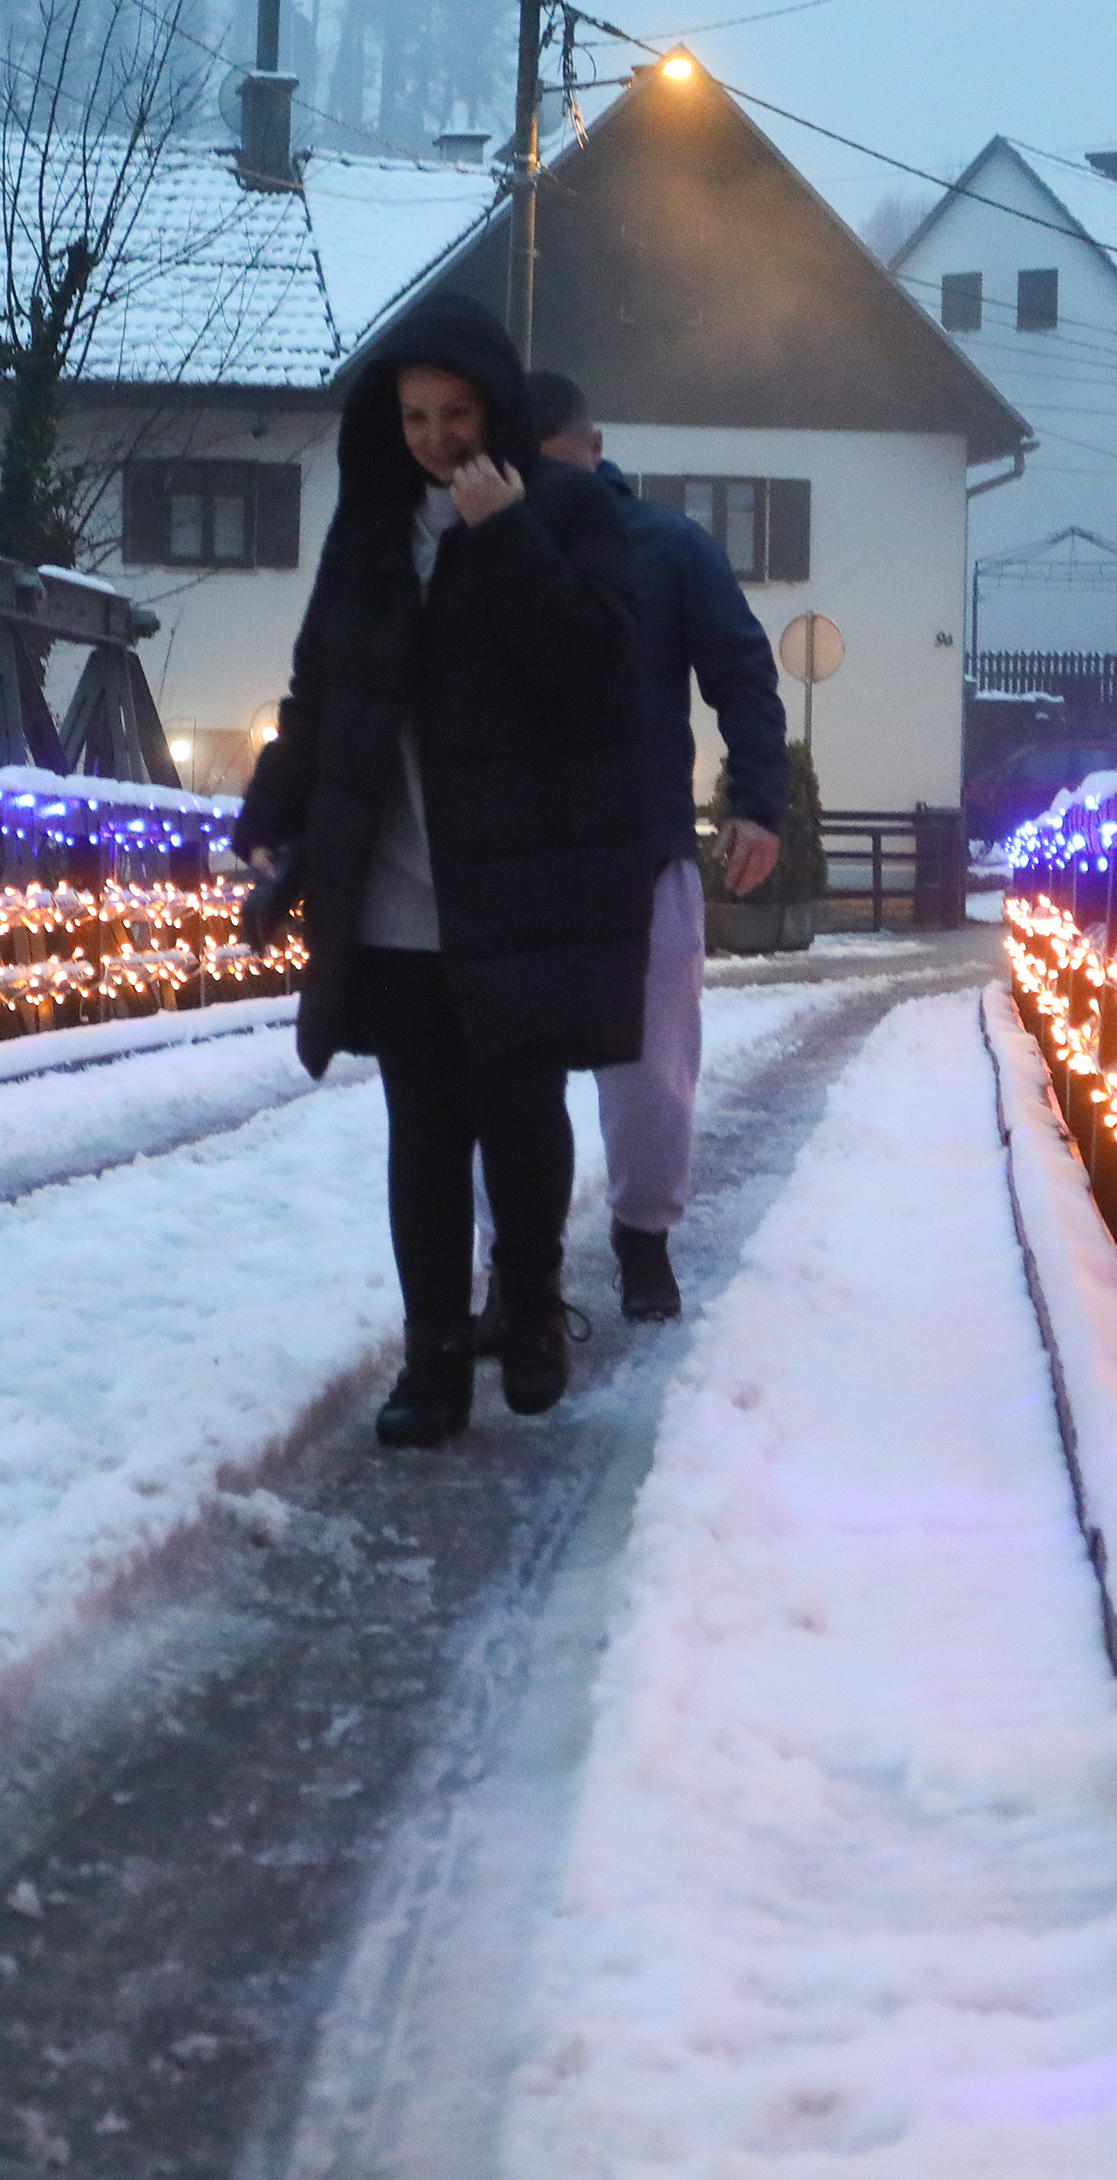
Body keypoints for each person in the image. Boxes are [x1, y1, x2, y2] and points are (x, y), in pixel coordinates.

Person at [234, 293, 650, 1449]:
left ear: (495, 407)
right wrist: (273, 802)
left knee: (518, 1115)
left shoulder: (564, 510)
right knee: (421, 1128)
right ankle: (430, 1360)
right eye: (414, 415)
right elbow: (322, 687)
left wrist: (505, 536)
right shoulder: (367, 526)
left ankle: (526, 1310)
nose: (435, 437)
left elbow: (595, 665)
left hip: (515, 883)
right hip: (392, 876)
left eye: (455, 411)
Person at [531, 373, 786, 1322]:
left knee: (653, 1070)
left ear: (593, 450)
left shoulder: (670, 549)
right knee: (507, 1078)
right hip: (511, 854)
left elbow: (741, 672)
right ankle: (524, 1264)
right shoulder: (485, 552)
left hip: (642, 848)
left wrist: (758, 802)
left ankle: (644, 1238)